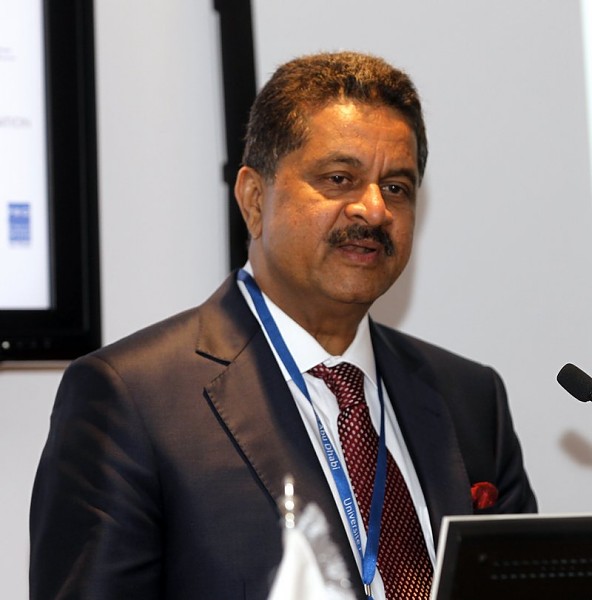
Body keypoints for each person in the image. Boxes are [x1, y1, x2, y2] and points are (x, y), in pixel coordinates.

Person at [30, 51, 536, 600]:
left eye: (396, 187)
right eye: (339, 179)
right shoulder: (133, 400)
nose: (374, 210)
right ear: (254, 200)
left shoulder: (471, 399)